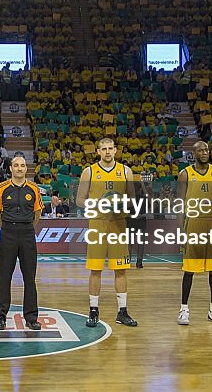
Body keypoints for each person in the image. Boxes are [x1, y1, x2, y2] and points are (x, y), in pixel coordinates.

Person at [76, 138, 138, 328]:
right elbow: (79, 200)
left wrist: (121, 205)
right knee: (95, 270)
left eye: (110, 148)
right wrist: (100, 204)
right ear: (98, 151)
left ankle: (122, 311)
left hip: (118, 224)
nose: (108, 152)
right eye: (104, 149)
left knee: (121, 270)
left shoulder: (126, 171)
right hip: (98, 224)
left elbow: (132, 200)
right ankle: (93, 310)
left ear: (116, 150)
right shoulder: (89, 171)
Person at [176, 141, 212, 325]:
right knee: (189, 270)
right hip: (194, 223)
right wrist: (180, 231)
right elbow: (180, 204)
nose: (204, 152)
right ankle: (184, 309)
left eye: (206, 149)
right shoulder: (185, 174)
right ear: (193, 154)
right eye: (200, 150)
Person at [0, 156, 43, 330]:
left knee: (30, 277)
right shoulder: (2, 188)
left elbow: (37, 215)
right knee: (4, 276)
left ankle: (31, 317)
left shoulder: (34, 188)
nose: (20, 168)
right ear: (11, 168)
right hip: (7, 233)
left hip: (28, 233)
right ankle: (1, 315)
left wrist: (25, 226)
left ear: (26, 168)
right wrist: (9, 227)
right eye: (16, 165)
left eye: (22, 165)